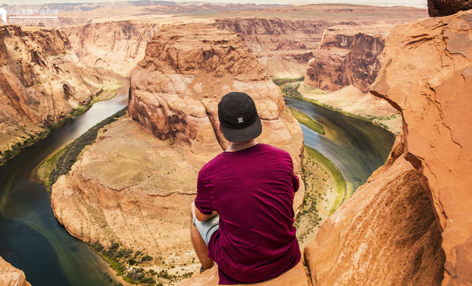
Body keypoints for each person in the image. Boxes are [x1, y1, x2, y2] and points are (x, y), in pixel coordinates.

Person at [189, 91, 301, 284]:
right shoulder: (283, 158)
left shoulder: (210, 173)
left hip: (241, 272)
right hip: (286, 258)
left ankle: (207, 270)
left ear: (220, 128)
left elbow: (202, 217)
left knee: (194, 211)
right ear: (257, 122)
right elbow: (291, 190)